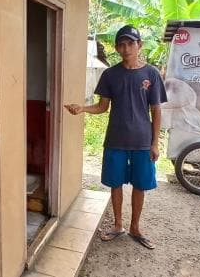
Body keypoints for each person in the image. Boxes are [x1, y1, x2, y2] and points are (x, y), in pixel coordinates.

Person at [65, 25, 167, 250]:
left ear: (139, 45)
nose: (126, 48)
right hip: (115, 141)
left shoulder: (151, 74)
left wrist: (155, 143)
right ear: (117, 48)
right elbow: (102, 106)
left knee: (140, 185)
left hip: (142, 142)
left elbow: (156, 110)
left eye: (131, 43)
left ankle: (135, 227)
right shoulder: (110, 74)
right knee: (115, 184)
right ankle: (118, 225)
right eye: (121, 44)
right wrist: (81, 108)